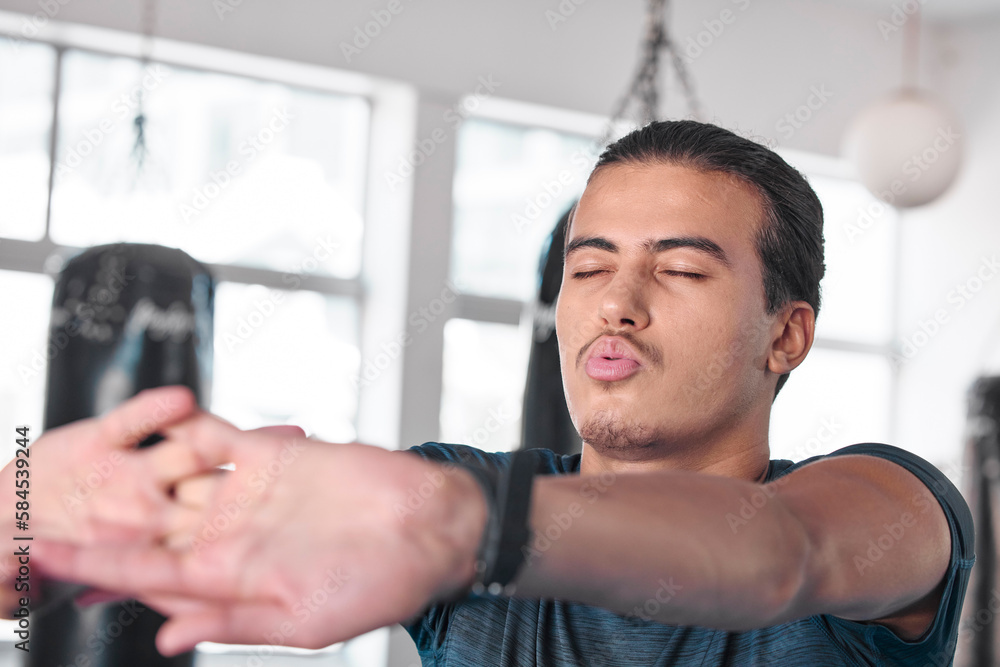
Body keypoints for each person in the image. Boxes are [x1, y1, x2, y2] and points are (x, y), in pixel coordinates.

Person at [4, 120, 974, 666]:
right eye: (589, 270)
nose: (617, 308)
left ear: (786, 331)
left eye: (678, 271)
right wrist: (27, 515)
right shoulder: (452, 490)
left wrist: (456, 528)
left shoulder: (890, 504)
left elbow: (777, 552)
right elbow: (111, 530)